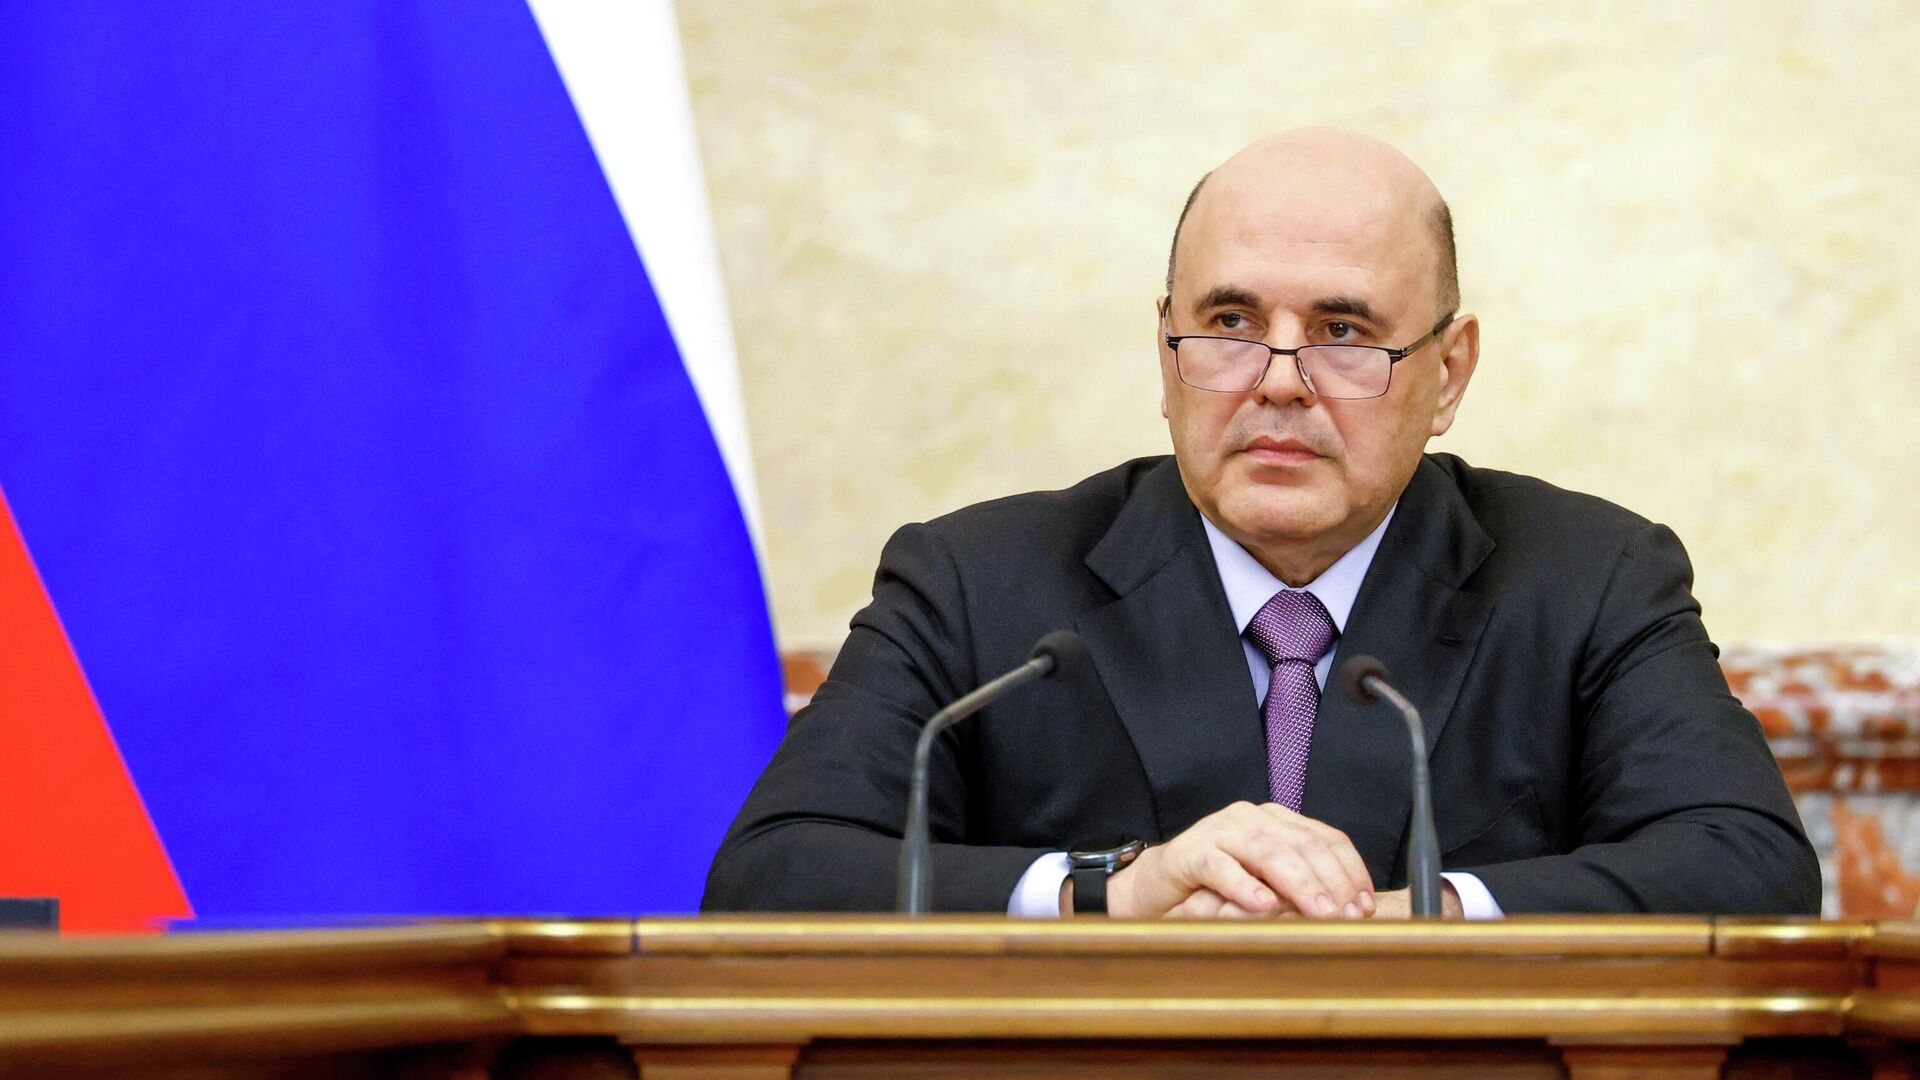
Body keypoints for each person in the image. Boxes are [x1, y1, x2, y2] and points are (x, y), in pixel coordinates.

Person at [703, 128, 1821, 919]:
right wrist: (1115, 893)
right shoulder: (976, 583)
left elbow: (1749, 868)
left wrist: (1414, 919)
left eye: (1344, 332)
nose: (1279, 380)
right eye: (1231, 322)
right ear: (1166, 351)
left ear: (1448, 374)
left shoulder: (1589, 580)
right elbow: (775, 873)